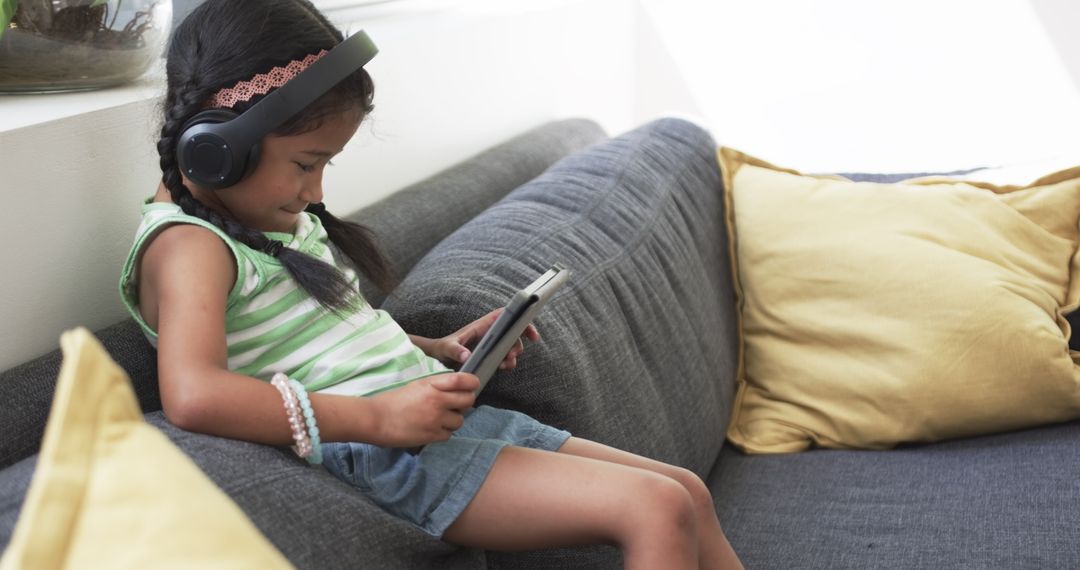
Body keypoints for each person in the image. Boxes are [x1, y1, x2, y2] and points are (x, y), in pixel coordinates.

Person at [118, 1, 743, 568]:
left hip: (424, 430)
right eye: (307, 165)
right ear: (216, 149)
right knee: (653, 508)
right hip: (379, 453)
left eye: (324, 165)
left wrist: (433, 347)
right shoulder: (189, 246)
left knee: (685, 491)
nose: (316, 191)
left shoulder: (266, 220)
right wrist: (376, 419)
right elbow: (194, 394)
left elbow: (322, 342)